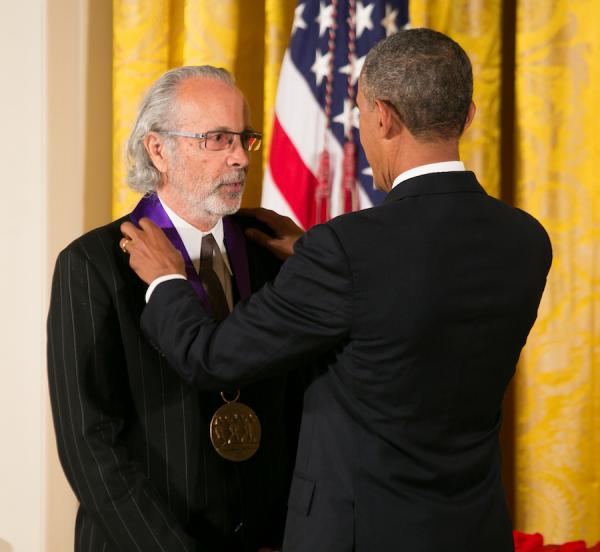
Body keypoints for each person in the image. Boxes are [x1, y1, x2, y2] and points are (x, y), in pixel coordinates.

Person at [121, 29, 552, 552]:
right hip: (472, 531)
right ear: (467, 116)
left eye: (361, 112)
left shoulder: (349, 249)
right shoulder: (526, 240)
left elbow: (210, 358)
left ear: (385, 116)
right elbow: (417, 311)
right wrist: (313, 260)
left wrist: (168, 279)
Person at [47, 66, 296, 552]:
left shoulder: (271, 253)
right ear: (158, 149)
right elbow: (90, 443)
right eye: (217, 139)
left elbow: (296, 409)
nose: (240, 158)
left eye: (244, 138)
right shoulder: (92, 264)